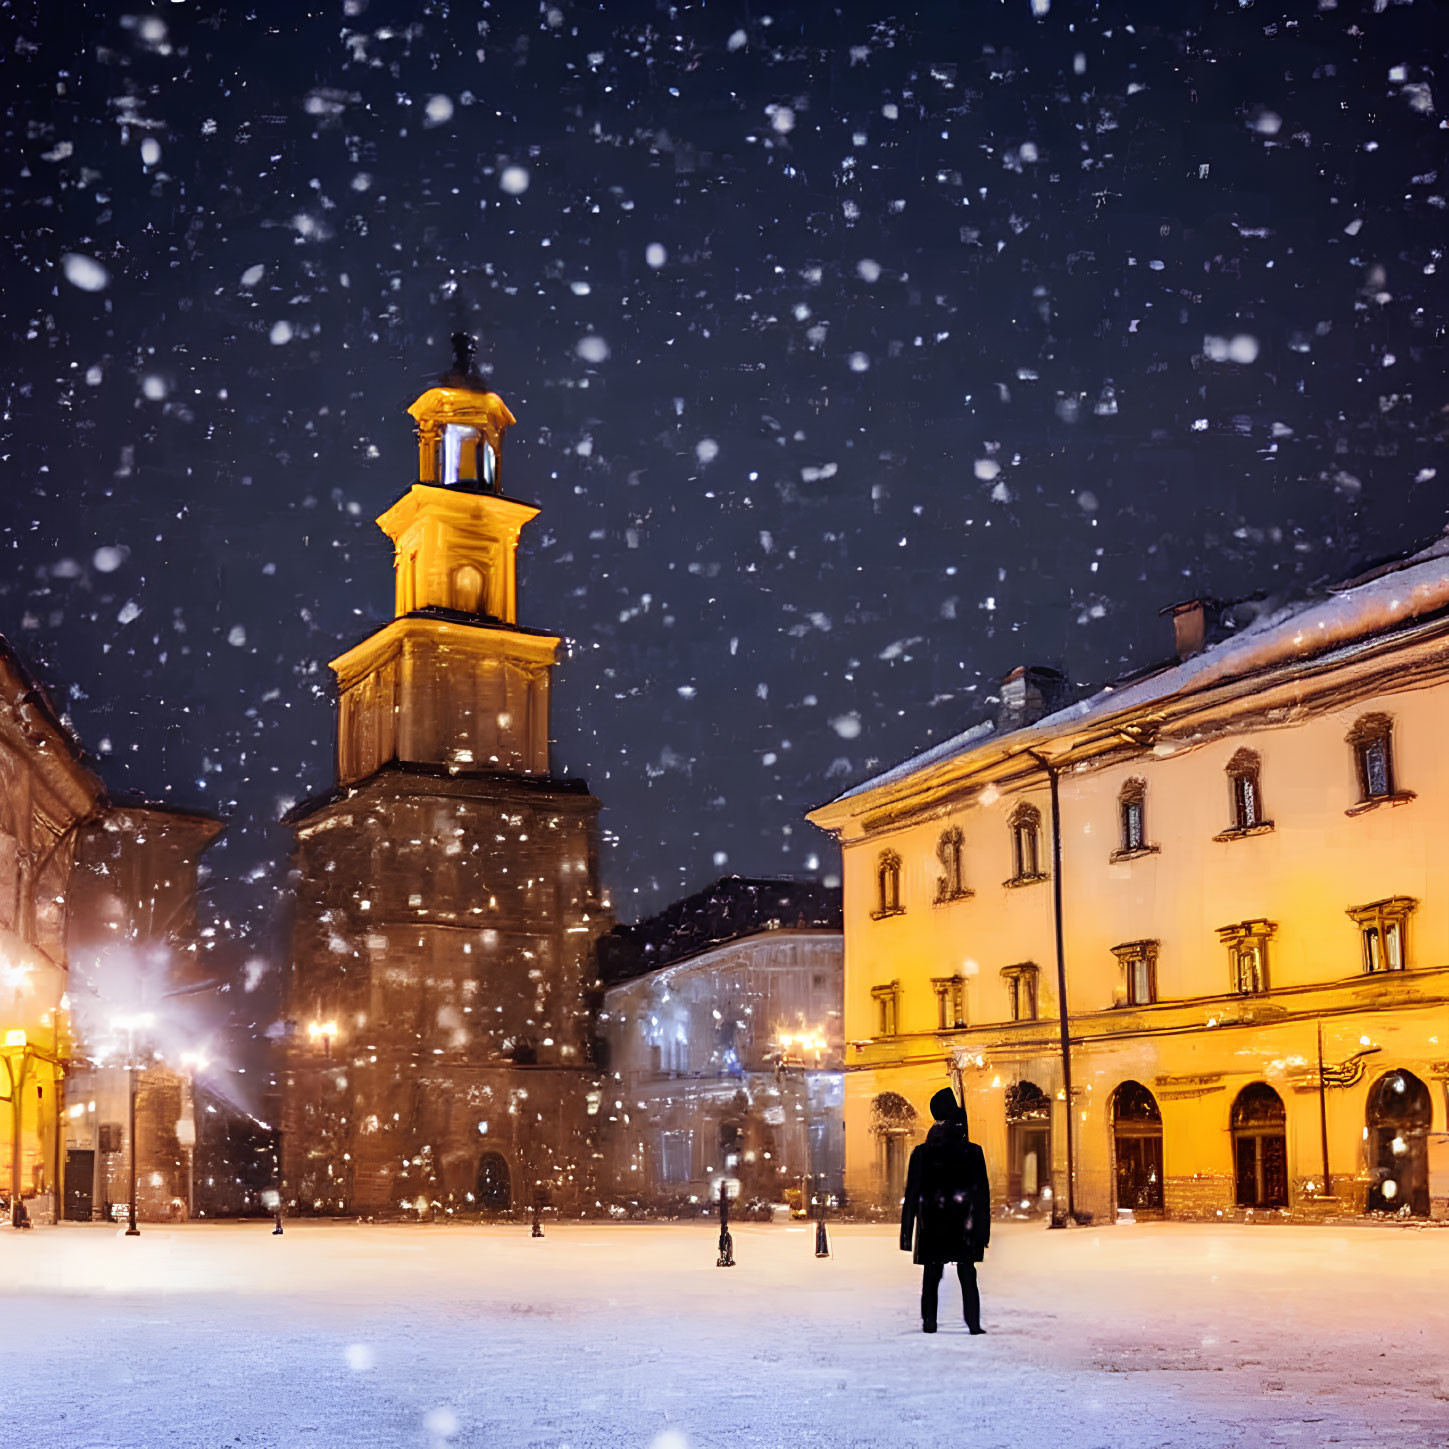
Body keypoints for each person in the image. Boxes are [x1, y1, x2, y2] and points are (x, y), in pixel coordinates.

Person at [899, 1087, 990, 1334]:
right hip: (965, 1225)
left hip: (933, 1224)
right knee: (967, 1275)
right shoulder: (972, 1151)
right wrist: (983, 1232)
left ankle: (930, 1323)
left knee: (932, 1275)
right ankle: (973, 1324)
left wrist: (907, 1235)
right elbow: (982, 1196)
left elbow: (912, 1195)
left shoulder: (922, 1153)